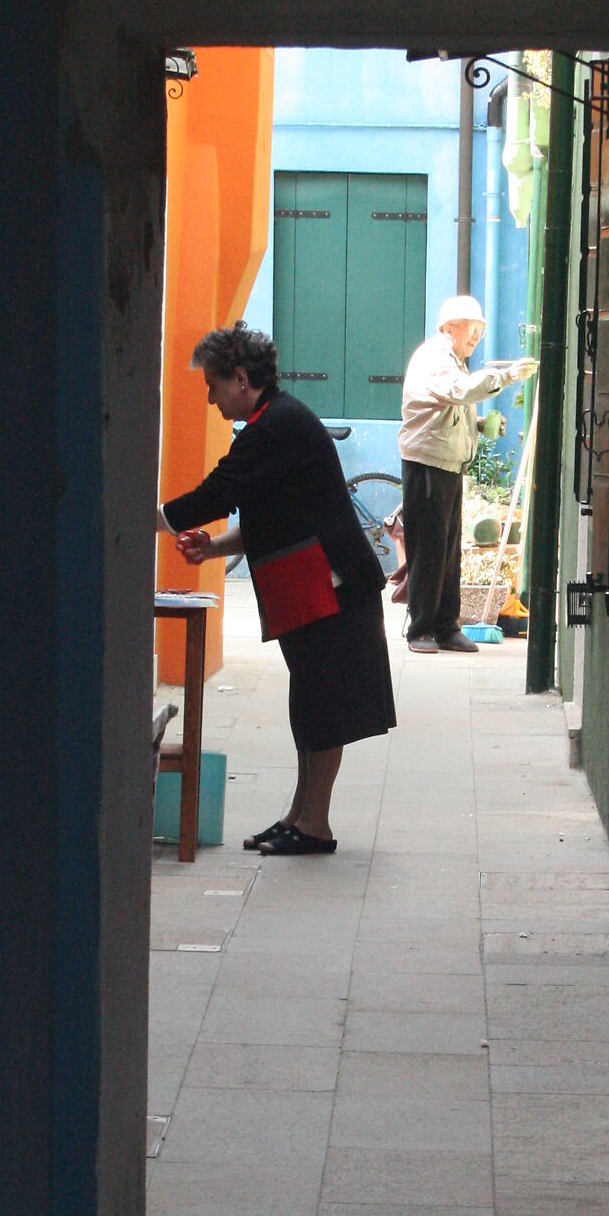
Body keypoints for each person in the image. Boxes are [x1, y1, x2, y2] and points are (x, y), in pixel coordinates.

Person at [159, 322, 395, 856]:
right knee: (309, 701)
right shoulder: (274, 423)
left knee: (324, 704)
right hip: (309, 585)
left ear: (241, 380)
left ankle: (316, 823)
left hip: (332, 586)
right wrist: (213, 548)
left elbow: (216, 493)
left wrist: (147, 516)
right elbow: (267, 514)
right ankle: (299, 814)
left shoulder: (277, 426)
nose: (211, 399)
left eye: (214, 386)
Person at [397, 296, 535, 654]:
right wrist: (503, 377)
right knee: (430, 549)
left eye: (480, 329)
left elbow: (445, 407)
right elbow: (458, 391)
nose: (476, 335)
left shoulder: (453, 358)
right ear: (449, 328)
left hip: (445, 462)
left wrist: (475, 423)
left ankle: (445, 626)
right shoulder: (436, 358)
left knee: (448, 550)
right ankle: (421, 630)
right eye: (470, 328)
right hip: (428, 463)